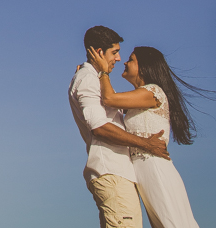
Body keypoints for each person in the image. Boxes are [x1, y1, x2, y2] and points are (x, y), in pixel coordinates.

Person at [87, 45, 202, 228]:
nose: (124, 62)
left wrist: (102, 72)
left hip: (155, 167)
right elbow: (109, 100)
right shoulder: (139, 96)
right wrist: (89, 72)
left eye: (131, 59)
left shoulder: (152, 92)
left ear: (144, 67)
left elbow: (109, 99)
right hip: (143, 172)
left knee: (173, 222)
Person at [69, 26, 170, 228]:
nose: (118, 58)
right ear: (99, 52)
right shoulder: (88, 79)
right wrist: (146, 144)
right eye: (114, 52)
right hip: (112, 171)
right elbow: (99, 127)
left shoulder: (92, 78)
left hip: (118, 173)